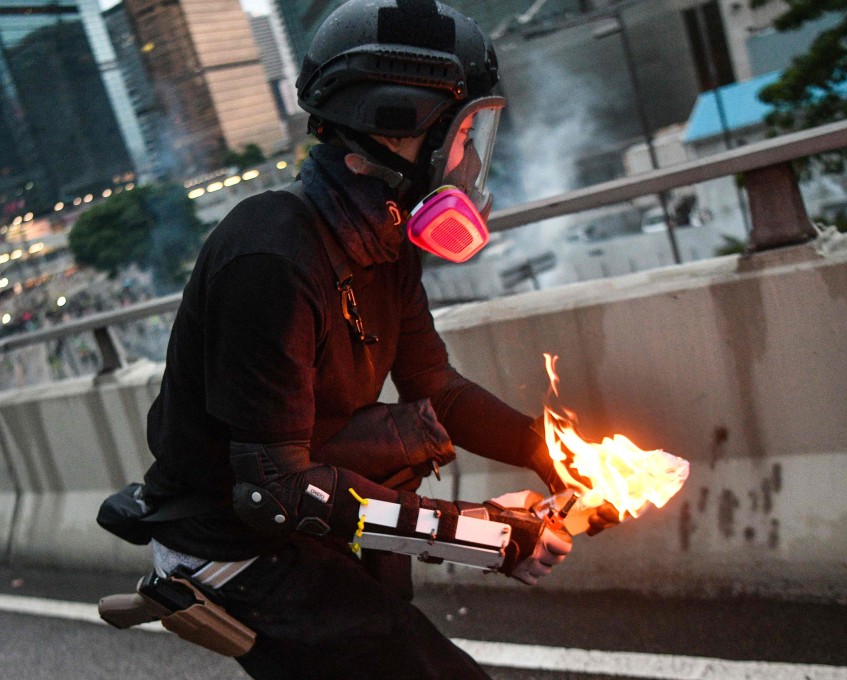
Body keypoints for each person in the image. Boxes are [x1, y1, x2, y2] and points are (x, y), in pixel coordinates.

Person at [135, 1, 617, 678]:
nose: (473, 161)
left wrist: (554, 456)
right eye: (464, 133)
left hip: (306, 510)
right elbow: (270, 491)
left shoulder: (387, 246)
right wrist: (483, 535)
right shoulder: (271, 257)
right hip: (235, 540)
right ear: (399, 124)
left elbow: (437, 390)